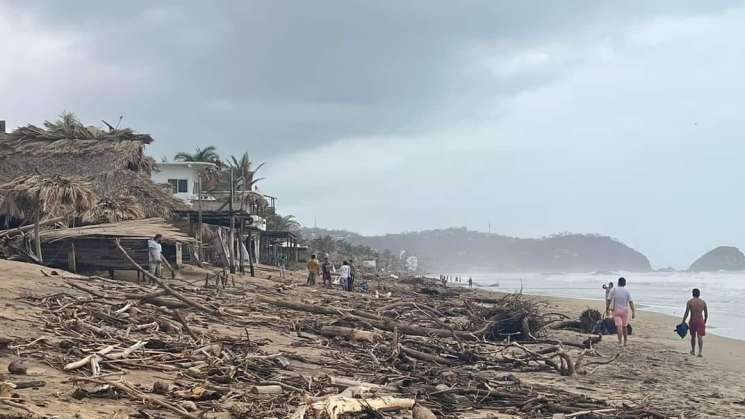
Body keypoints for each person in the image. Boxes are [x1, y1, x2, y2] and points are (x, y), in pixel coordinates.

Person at [605, 277, 635, 347]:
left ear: (618, 282)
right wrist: (633, 311)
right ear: (624, 283)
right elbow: (631, 302)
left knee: (619, 326)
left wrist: (607, 309)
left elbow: (608, 300)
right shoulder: (627, 291)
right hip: (625, 311)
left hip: (616, 310)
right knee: (624, 326)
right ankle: (625, 342)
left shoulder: (613, 289)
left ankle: (620, 342)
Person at [682, 288, 708, 357]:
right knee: (700, 336)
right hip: (700, 321)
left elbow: (686, 313)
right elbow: (706, 314)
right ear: (699, 294)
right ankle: (700, 352)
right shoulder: (703, 302)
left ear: (692, 294)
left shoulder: (690, 302)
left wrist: (683, 321)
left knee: (693, 336)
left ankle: (693, 351)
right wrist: (704, 322)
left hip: (693, 320)